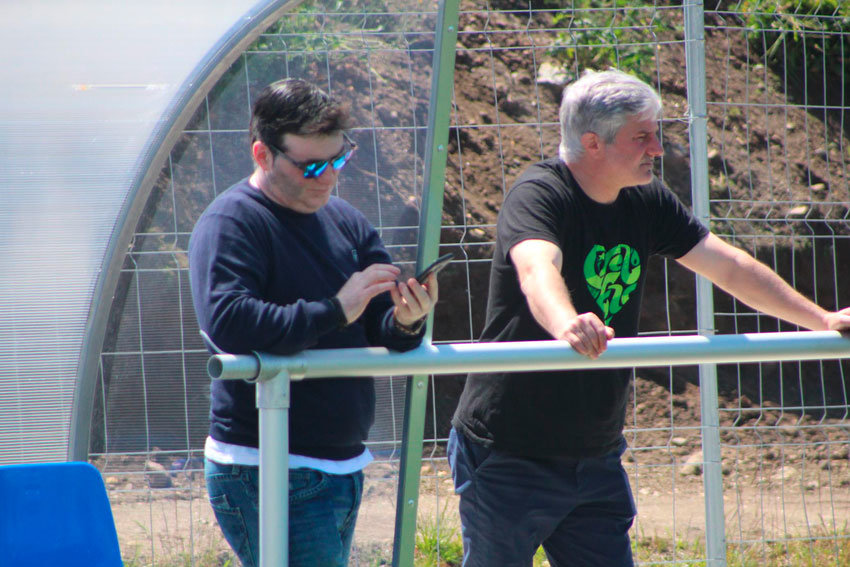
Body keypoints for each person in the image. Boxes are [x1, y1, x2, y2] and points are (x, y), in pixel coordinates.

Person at [449, 69, 850, 567]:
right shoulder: (539, 193)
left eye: (655, 135)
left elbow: (728, 266)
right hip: (509, 450)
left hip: (596, 454)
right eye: (642, 137)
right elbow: (536, 268)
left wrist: (821, 319)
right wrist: (567, 323)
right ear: (592, 143)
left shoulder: (645, 198)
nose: (657, 149)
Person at [189, 78, 438, 567]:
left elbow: (379, 326)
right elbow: (229, 322)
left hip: (337, 463)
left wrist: (407, 320)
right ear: (262, 154)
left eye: (338, 160)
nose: (328, 178)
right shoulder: (233, 222)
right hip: (267, 463)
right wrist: (335, 309)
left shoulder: (346, 221)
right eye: (311, 167)